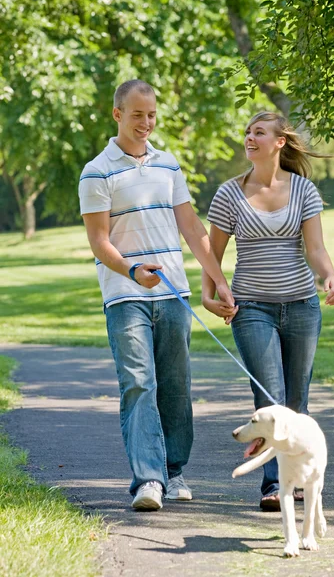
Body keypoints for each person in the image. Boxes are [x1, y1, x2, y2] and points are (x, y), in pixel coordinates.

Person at [78, 79, 235, 511]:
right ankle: (148, 480)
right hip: (125, 295)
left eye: (151, 115)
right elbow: (99, 241)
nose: (146, 123)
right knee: (138, 384)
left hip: (173, 296)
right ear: (117, 115)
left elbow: (192, 229)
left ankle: (174, 472)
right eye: (137, 114)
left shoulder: (169, 166)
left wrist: (218, 279)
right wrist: (131, 269)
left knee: (175, 386)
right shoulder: (97, 171)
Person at [202, 111, 334, 512]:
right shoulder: (229, 194)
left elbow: (315, 248)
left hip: (301, 305)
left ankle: (301, 480)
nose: (249, 137)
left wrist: (328, 276)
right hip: (252, 309)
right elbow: (213, 254)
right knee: (270, 400)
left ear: (279, 142)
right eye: (247, 132)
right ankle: (275, 483)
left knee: (297, 401)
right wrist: (209, 295)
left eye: (258, 132)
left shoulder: (303, 190)